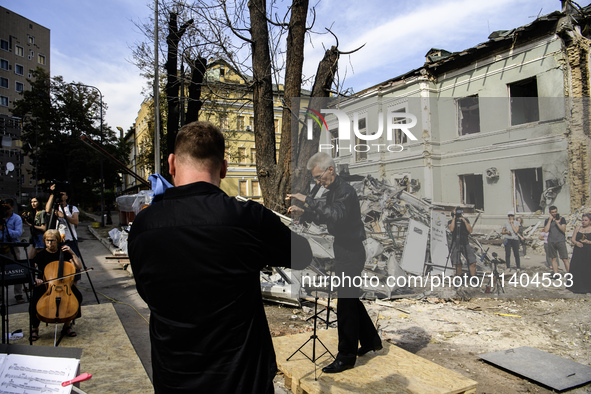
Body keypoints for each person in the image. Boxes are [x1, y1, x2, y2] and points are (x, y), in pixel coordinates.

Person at [128, 121, 312, 393]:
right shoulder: (248, 218)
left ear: (171, 164)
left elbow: (147, 293)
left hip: (174, 377)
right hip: (241, 379)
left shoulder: (143, 226)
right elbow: (303, 255)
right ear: (224, 169)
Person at [287, 152, 382, 374]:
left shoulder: (346, 192)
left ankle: (346, 357)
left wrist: (307, 199)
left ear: (330, 169)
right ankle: (371, 340)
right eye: (316, 179)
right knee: (350, 299)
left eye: (319, 177)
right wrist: (305, 213)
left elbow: (336, 215)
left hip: (352, 251)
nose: (318, 182)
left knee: (345, 302)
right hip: (343, 249)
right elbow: (325, 217)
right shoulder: (333, 191)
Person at [29, 229, 83, 341]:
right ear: (44, 241)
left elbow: (79, 266)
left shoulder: (64, 252)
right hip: (47, 285)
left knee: (78, 297)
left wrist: (72, 253)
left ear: (58, 241)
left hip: (64, 284)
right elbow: (31, 270)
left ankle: (67, 326)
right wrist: (35, 279)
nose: (50, 243)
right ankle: (35, 328)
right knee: (34, 301)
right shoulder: (41, 255)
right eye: (47, 241)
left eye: (52, 241)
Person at [45, 185, 80, 258]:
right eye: (59, 194)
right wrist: (52, 194)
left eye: (62, 194)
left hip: (70, 239)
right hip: (58, 239)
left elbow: (76, 221)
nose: (60, 196)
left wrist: (64, 216)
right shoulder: (55, 208)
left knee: (74, 259)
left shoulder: (72, 208)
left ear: (66, 197)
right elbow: (47, 210)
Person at [0, 199, 24, 303]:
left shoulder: (16, 218)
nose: (5, 210)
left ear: (12, 207)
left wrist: (4, 229)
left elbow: (18, 233)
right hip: (1, 246)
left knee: (17, 270)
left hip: (12, 246)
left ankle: (18, 294)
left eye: (7, 208)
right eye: (3, 207)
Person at [447, 207, 477, 277]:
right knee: (457, 262)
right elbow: (451, 229)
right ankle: (459, 277)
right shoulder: (450, 222)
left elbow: (470, 231)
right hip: (456, 243)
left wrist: (464, 221)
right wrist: (454, 218)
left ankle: (473, 277)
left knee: (472, 261)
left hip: (465, 242)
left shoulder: (465, 220)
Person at [567, 213, 591, 294]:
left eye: (586, 220)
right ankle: (577, 287)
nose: (583, 222)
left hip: (588, 251)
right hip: (578, 251)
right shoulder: (578, 228)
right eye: (583, 220)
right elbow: (573, 239)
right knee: (577, 268)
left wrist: (588, 242)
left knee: (587, 268)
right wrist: (576, 243)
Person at [543, 205, 570, 278]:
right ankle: (556, 274)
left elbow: (563, 230)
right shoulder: (547, 220)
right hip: (551, 241)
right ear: (550, 213)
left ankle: (570, 274)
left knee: (564, 258)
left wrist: (558, 223)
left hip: (560, 241)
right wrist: (549, 220)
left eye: (555, 212)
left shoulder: (562, 219)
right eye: (553, 212)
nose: (554, 213)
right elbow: (546, 230)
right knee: (553, 258)